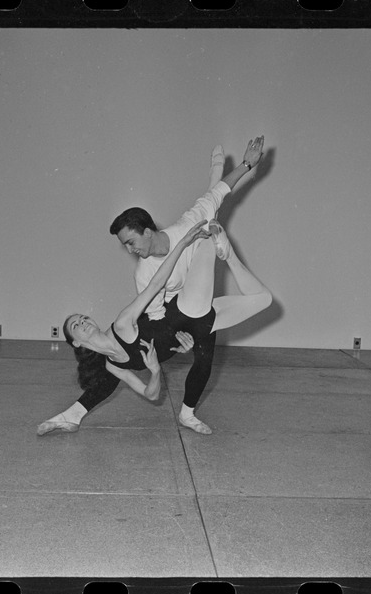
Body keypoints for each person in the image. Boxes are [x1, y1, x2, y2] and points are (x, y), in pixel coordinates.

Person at [37, 137, 270, 436]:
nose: (130, 250)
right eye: (78, 326)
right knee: (257, 302)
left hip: (189, 300)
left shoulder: (122, 323)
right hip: (186, 314)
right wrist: (163, 360)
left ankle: (220, 240)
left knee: (207, 223)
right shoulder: (112, 360)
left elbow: (219, 194)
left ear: (147, 231)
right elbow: (157, 326)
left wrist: (247, 165)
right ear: (77, 343)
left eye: (131, 242)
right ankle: (71, 417)